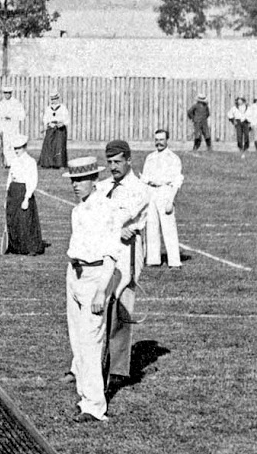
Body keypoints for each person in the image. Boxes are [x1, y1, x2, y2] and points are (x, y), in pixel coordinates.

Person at [63, 156, 123, 423]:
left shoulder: (106, 209)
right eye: (73, 181)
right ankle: (84, 397)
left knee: (91, 342)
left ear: (93, 180)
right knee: (78, 341)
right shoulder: (79, 209)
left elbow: (111, 254)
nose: (76, 186)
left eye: (80, 180)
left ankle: (95, 406)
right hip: (74, 274)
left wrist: (101, 291)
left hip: (95, 276)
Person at [101, 139, 151, 383]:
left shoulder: (139, 188)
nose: (113, 167)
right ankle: (84, 365)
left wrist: (113, 226)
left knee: (121, 305)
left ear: (129, 160)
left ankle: (118, 369)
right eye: (109, 162)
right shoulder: (104, 185)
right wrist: (113, 228)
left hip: (127, 251)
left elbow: (120, 215)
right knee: (97, 303)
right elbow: (93, 210)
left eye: (118, 162)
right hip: (104, 247)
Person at [141, 129, 184, 269]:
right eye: (157, 140)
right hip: (151, 192)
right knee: (151, 227)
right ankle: (153, 260)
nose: (159, 142)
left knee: (168, 228)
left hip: (165, 191)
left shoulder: (173, 158)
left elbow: (177, 181)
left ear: (167, 140)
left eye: (161, 139)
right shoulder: (150, 157)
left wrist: (170, 200)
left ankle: (174, 262)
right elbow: (145, 178)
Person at [3, 132, 44, 255]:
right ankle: (15, 246)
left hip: (23, 191)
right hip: (13, 191)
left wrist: (27, 198)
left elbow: (32, 180)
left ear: (24, 147)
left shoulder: (30, 162)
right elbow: (10, 178)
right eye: (15, 148)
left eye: (19, 148)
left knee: (24, 220)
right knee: (13, 219)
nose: (16, 151)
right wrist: (6, 196)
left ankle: (29, 247)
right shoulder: (14, 161)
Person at [0, 87, 26, 167]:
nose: (7, 95)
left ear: (11, 93)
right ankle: (8, 162)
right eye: (5, 93)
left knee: (14, 144)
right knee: (6, 145)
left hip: (13, 126)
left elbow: (22, 115)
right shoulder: (1, 104)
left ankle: (14, 162)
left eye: (8, 93)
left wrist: (13, 116)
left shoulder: (16, 103)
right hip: (5, 127)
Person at [39, 92, 70, 169]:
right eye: (52, 99)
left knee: (59, 145)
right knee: (49, 144)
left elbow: (67, 119)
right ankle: (48, 163)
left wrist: (62, 123)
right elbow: (45, 118)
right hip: (51, 128)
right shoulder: (48, 108)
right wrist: (49, 123)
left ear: (58, 99)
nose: (54, 101)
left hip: (60, 129)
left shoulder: (63, 108)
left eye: (55, 99)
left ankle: (60, 164)